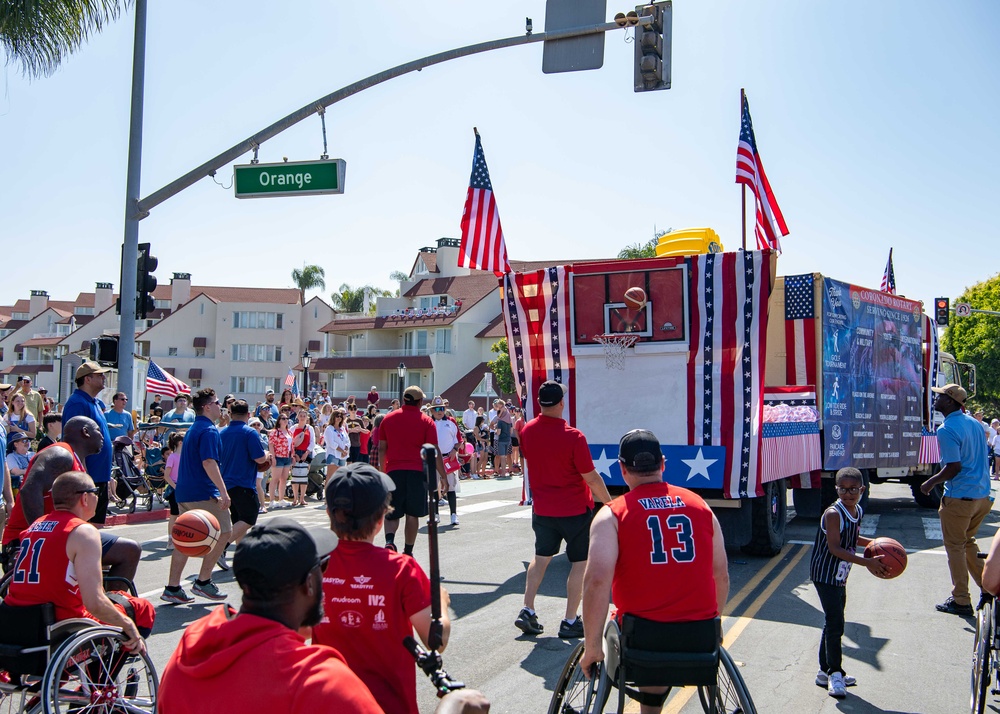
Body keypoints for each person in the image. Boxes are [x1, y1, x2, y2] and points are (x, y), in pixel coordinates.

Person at [158, 516, 489, 714]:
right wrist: (454, 707)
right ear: (310, 584)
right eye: (322, 566)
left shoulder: (193, 642)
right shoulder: (320, 678)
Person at [580, 430, 729, 713]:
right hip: (699, 637)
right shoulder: (701, 506)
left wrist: (592, 647)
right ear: (663, 464)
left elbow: (597, 582)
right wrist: (714, 625)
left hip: (642, 639)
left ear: (622, 469)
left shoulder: (613, 514)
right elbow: (720, 575)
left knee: (638, 641)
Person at [314, 463, 451, 714]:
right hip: (390, 706)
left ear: (329, 513)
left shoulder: (313, 566)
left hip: (327, 702)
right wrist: (440, 600)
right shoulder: (401, 569)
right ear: (381, 519)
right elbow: (436, 640)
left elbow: (299, 634)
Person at [4, 471, 151, 650]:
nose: (98, 496)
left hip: (17, 620)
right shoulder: (83, 532)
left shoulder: (35, 526)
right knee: (141, 608)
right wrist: (127, 624)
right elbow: (94, 602)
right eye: (95, 492)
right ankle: (106, 672)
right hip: (60, 624)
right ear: (84, 498)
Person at [515, 380, 611, 638]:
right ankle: (569, 620)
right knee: (579, 563)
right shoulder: (574, 437)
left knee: (541, 557)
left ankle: (528, 608)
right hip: (574, 509)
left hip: (543, 508)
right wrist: (610, 504)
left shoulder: (528, 431)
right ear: (561, 403)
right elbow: (590, 477)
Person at [1, 416, 143, 579]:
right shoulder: (61, 453)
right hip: (25, 543)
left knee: (125, 550)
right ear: (85, 432)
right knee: (128, 550)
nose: (103, 436)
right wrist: (43, 535)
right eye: (98, 430)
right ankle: (108, 601)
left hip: (64, 537)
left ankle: (109, 601)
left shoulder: (77, 460)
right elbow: (29, 490)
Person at [809, 467, 888, 698]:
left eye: (853, 489)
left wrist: (878, 543)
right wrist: (868, 562)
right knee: (836, 624)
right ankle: (835, 673)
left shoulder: (857, 510)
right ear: (836, 489)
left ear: (862, 489)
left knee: (833, 622)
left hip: (839, 576)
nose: (848, 493)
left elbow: (851, 537)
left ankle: (824, 672)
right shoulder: (833, 513)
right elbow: (834, 548)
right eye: (843, 489)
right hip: (825, 574)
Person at [921, 383, 992, 616]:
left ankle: (961, 599)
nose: (936, 399)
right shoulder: (975, 423)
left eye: (940, 396)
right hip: (981, 497)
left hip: (960, 497)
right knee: (967, 542)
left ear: (951, 402)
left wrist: (930, 482)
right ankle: (989, 587)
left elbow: (953, 467)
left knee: (955, 548)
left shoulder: (947, 428)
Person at [161, 388, 232, 604]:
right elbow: (208, 462)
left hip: (184, 491)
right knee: (226, 531)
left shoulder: (195, 428)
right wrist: (223, 491)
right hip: (202, 492)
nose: (221, 406)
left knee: (184, 538)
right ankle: (203, 581)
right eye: (218, 402)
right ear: (207, 406)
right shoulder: (208, 431)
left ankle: (173, 587)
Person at [378, 386, 443, 555]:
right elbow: (434, 451)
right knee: (412, 514)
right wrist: (443, 476)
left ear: (404, 399)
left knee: (391, 512)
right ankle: (408, 550)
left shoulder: (388, 419)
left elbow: (381, 448)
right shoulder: (426, 421)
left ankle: (390, 541)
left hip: (393, 471)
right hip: (416, 472)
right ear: (420, 402)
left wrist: (381, 472)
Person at [219, 400, 271, 569]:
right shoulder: (250, 433)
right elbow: (259, 458)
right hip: (242, 482)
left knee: (238, 521)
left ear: (230, 415)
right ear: (248, 415)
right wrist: (267, 454)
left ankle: (241, 556)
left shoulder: (222, 433)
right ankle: (221, 548)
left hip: (225, 482)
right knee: (249, 517)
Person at [61, 361, 114, 524]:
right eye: (99, 375)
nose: (104, 377)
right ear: (87, 379)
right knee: (85, 528)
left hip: (100, 475)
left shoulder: (95, 403)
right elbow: (73, 441)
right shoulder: (77, 403)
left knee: (97, 527)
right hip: (88, 477)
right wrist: (82, 474)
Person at [430, 397, 460, 526]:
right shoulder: (428, 423)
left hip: (448, 458)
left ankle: (453, 514)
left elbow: (458, 439)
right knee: (434, 487)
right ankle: (435, 514)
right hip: (433, 458)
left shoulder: (451, 421)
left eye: (441, 408)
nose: (439, 411)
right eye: (436, 409)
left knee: (451, 486)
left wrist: (455, 450)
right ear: (432, 411)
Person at [162, 432, 184, 549]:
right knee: (174, 514)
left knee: (184, 514)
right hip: (175, 488)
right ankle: (170, 539)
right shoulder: (172, 457)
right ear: (180, 443)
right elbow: (167, 475)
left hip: (185, 487)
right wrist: (175, 486)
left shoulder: (186, 456)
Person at [323, 409, 350, 483]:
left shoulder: (342, 428)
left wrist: (345, 450)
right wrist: (342, 450)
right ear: (333, 417)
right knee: (330, 477)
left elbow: (347, 441)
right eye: (337, 416)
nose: (339, 418)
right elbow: (331, 443)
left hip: (342, 456)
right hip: (333, 455)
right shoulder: (329, 429)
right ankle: (327, 494)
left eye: (340, 416)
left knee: (340, 478)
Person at [490, 400, 513, 478]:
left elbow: (498, 432)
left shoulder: (500, 421)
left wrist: (496, 431)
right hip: (507, 439)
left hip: (501, 439)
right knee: (500, 456)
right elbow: (511, 430)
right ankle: (499, 470)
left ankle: (503, 472)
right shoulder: (509, 420)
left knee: (502, 456)